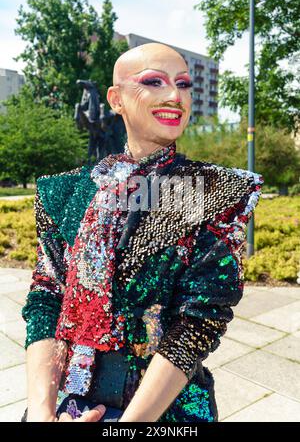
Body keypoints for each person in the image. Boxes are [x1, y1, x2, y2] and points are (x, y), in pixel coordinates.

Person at [21, 42, 264, 422]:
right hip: (64, 401)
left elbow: (201, 321)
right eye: (154, 81)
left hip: (164, 410)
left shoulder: (212, 191)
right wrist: (41, 412)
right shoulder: (65, 192)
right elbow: (46, 297)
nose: (175, 96)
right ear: (116, 99)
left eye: (184, 84)